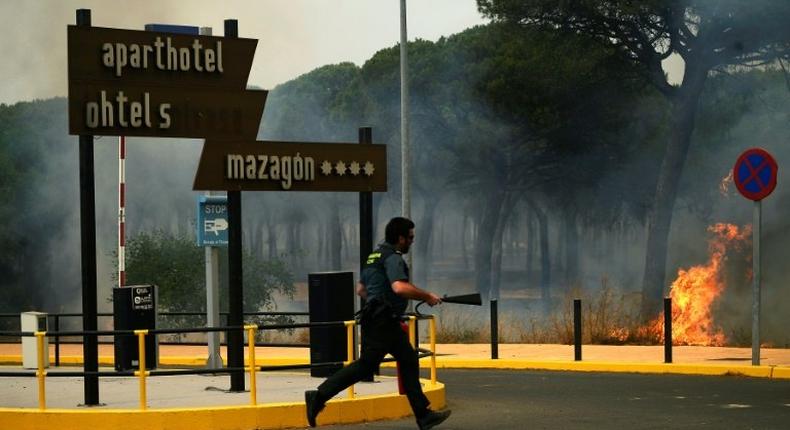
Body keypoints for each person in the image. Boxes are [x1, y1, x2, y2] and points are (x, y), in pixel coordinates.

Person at [305, 217, 452, 430]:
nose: (412, 241)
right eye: (410, 237)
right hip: (383, 321)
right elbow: (399, 287)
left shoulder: (374, 256)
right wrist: (426, 295)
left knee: (407, 359)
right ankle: (318, 396)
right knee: (368, 365)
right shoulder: (393, 258)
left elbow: (361, 290)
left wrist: (378, 302)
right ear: (400, 238)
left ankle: (423, 415)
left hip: (378, 319)